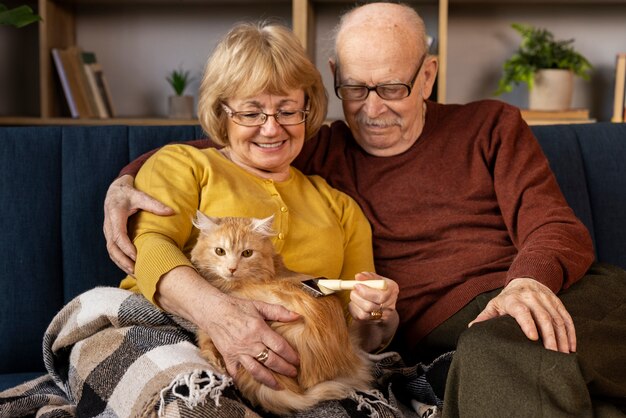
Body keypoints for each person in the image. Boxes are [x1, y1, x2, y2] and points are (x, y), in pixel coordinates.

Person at [104, 3, 626, 417]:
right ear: (333, 79)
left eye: (394, 87)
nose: (373, 109)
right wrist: (126, 180)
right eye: (354, 88)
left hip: (554, 292)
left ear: (428, 76)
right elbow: (233, 140)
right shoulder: (321, 148)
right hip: (463, 338)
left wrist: (527, 282)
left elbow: (554, 225)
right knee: (504, 362)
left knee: (500, 351)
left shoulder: (490, 126)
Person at [118, 21, 400, 393]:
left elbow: (355, 333)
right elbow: (150, 248)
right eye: (251, 113)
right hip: (170, 331)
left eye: (287, 111)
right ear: (222, 113)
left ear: (307, 109)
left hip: (300, 366)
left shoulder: (340, 208)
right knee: (189, 400)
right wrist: (219, 315)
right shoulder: (182, 165)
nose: (271, 129)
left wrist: (380, 314)